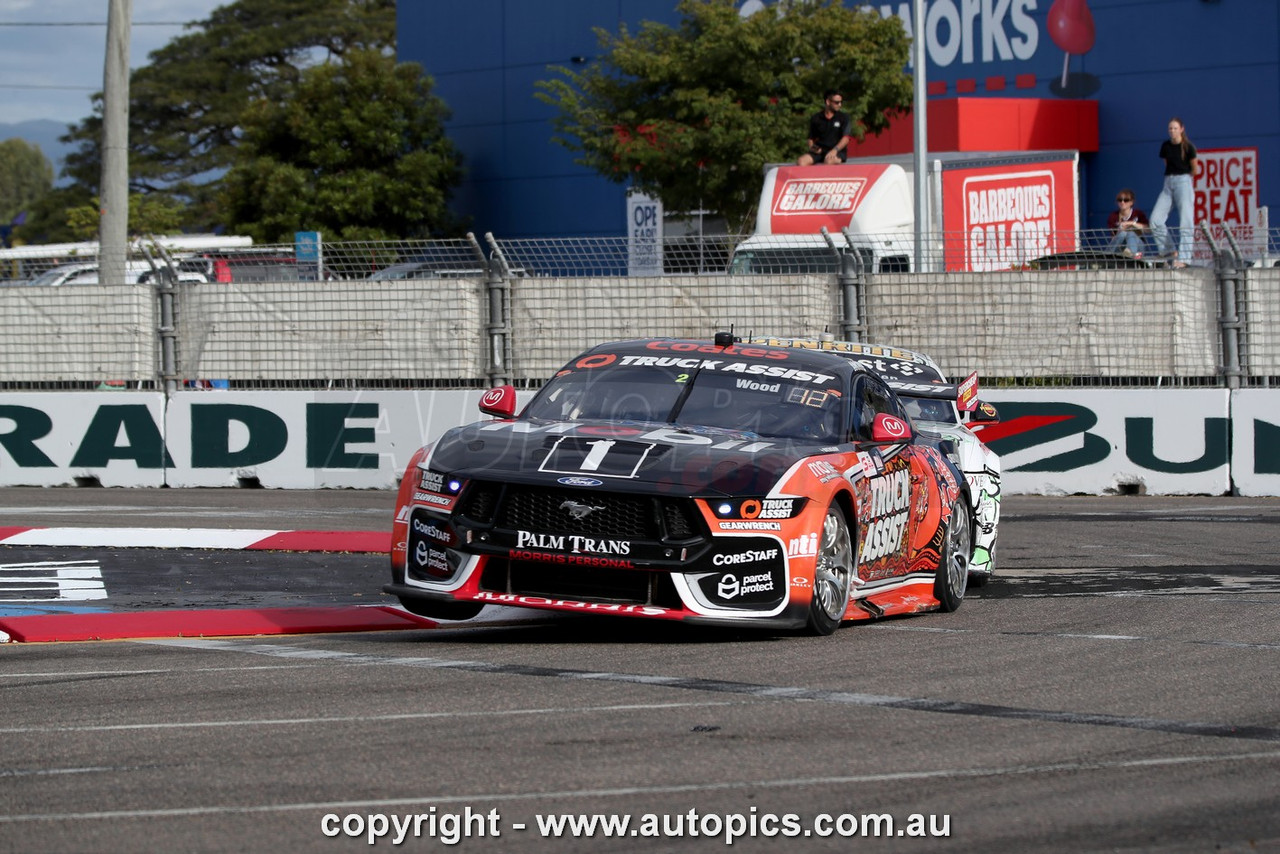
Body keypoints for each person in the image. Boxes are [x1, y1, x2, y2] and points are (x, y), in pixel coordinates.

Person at [1149, 117, 1199, 267]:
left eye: (1175, 128)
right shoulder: (1166, 146)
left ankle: (1184, 258)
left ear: (1181, 129)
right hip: (1168, 182)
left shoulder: (1188, 147)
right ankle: (1168, 250)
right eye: (1170, 128)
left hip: (1183, 181)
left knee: (1186, 221)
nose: (1172, 131)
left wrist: (1184, 177)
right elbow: (1167, 163)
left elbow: (1194, 169)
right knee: (1155, 219)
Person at [798, 90, 850, 166]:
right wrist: (813, 148)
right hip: (820, 151)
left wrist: (834, 150)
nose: (840, 105)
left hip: (836, 151)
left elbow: (846, 138)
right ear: (828, 102)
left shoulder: (843, 117)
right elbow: (811, 139)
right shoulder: (816, 118)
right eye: (836, 102)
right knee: (801, 161)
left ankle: (835, 166)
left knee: (828, 161)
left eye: (841, 102)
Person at [1106, 189, 1150, 257]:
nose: (1122, 202)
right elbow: (1113, 238)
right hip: (1120, 245)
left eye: (1126, 200)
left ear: (1131, 202)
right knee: (1123, 234)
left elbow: (1148, 229)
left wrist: (1132, 223)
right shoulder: (1113, 216)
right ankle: (1110, 256)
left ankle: (1130, 253)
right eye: (1120, 200)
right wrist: (1122, 230)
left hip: (1138, 245)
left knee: (1131, 233)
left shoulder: (1138, 214)